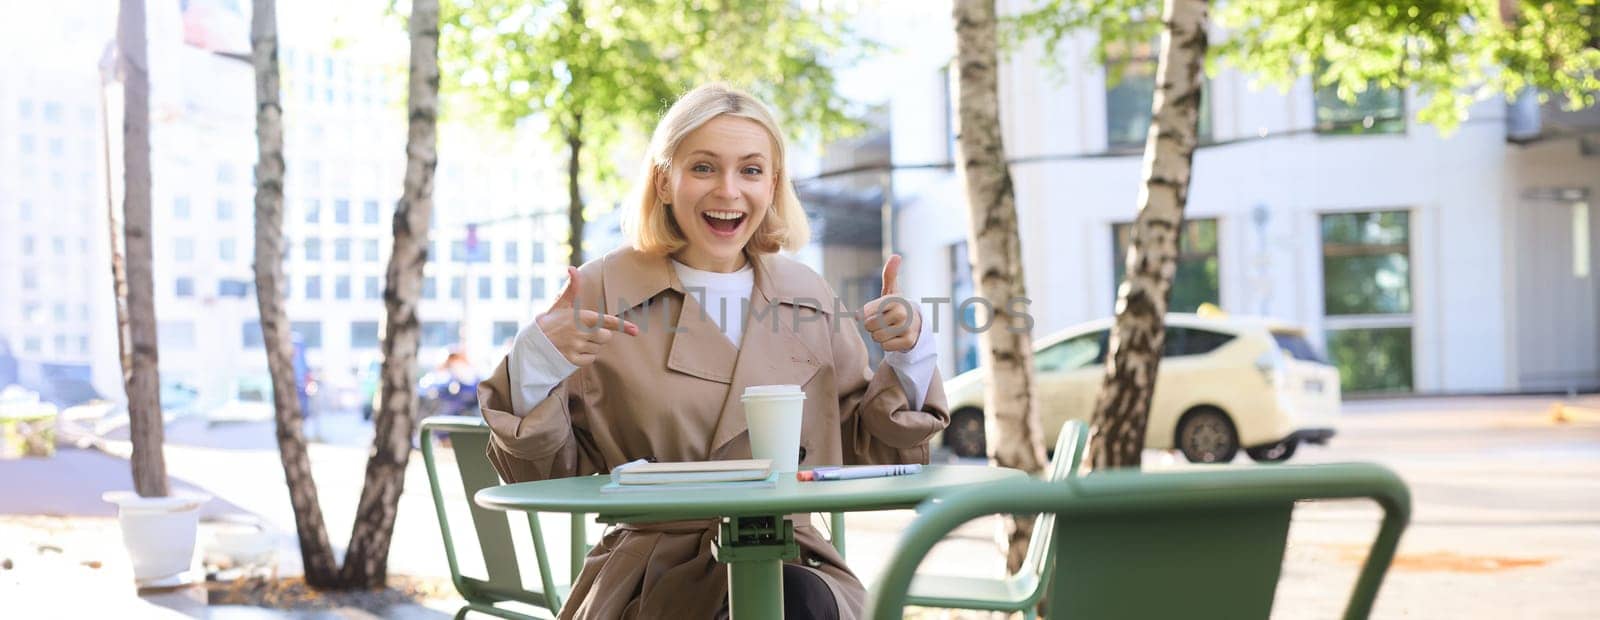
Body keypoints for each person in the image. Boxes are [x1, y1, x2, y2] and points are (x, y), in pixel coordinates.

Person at [477, 83, 948, 620]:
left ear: (773, 184)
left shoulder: (807, 294)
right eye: (703, 167)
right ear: (664, 179)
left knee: (796, 601)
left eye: (750, 170)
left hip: (796, 564)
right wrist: (536, 362)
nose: (729, 191)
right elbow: (544, 478)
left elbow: (871, 455)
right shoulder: (601, 290)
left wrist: (910, 355)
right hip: (653, 579)